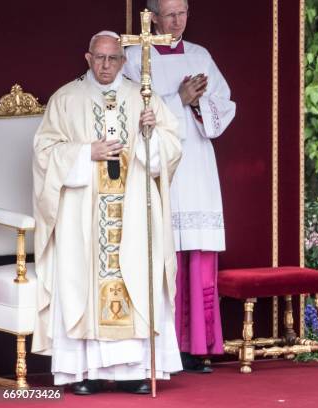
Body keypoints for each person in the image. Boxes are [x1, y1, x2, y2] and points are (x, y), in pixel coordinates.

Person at [32, 31, 183, 395]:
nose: (105, 65)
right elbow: (43, 152)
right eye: (98, 58)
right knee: (81, 282)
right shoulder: (65, 99)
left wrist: (151, 136)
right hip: (83, 213)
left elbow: (173, 147)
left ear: (123, 60)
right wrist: (87, 153)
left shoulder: (143, 99)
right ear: (87, 58)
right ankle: (83, 371)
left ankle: (135, 372)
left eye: (112, 58)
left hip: (132, 211)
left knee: (137, 278)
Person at [124, 0, 236, 372]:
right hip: (158, 165)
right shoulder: (133, 56)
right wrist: (179, 99)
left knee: (198, 256)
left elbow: (225, 105)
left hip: (198, 165)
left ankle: (198, 345)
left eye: (183, 12)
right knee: (162, 254)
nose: (177, 21)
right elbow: (127, 112)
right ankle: (164, 349)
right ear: (152, 16)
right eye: (169, 14)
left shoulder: (200, 56)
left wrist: (202, 106)